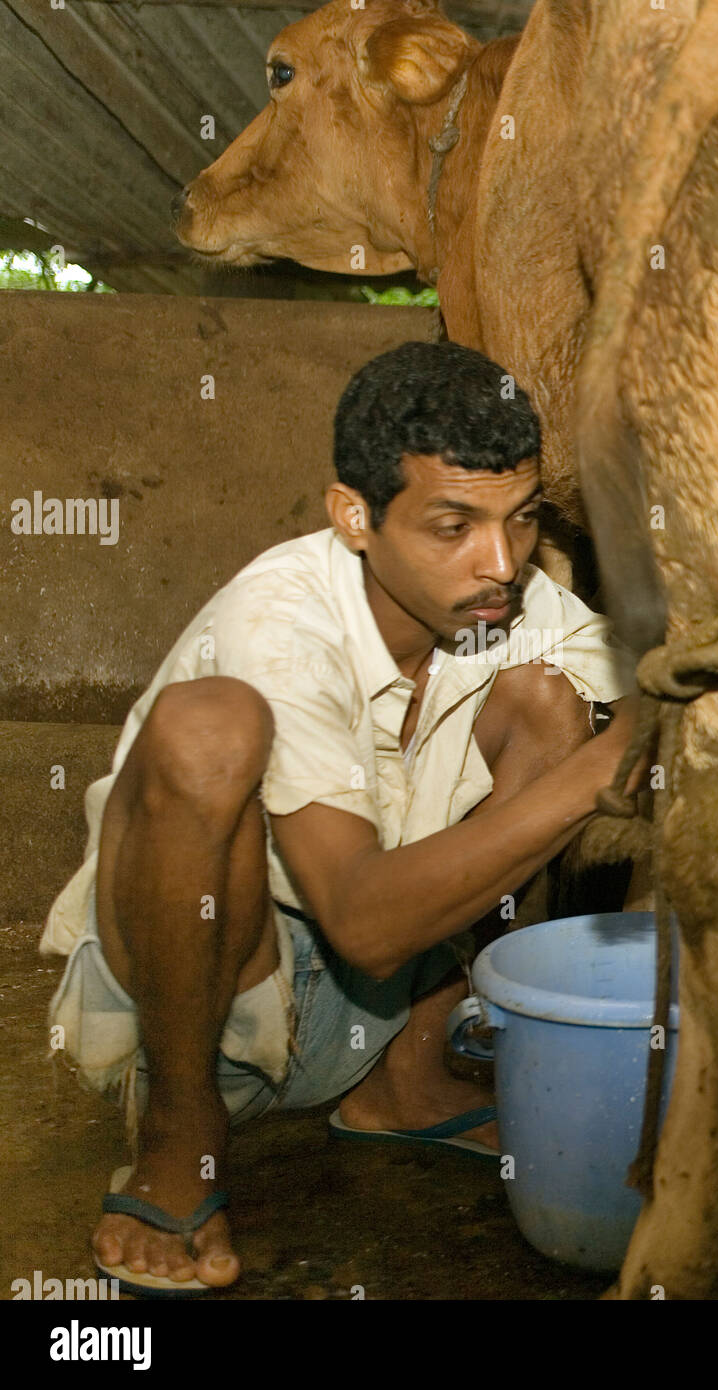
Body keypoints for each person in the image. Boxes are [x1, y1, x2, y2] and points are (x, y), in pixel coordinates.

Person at [40, 340, 642, 1295]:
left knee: (553, 703)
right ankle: (177, 1140)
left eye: (520, 521)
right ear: (353, 517)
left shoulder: (509, 600)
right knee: (210, 726)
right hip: (209, 995)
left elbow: (680, 713)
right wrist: (609, 765)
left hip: (374, 1008)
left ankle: (408, 1080)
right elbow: (364, 924)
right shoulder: (281, 620)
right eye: (453, 525)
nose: (499, 562)